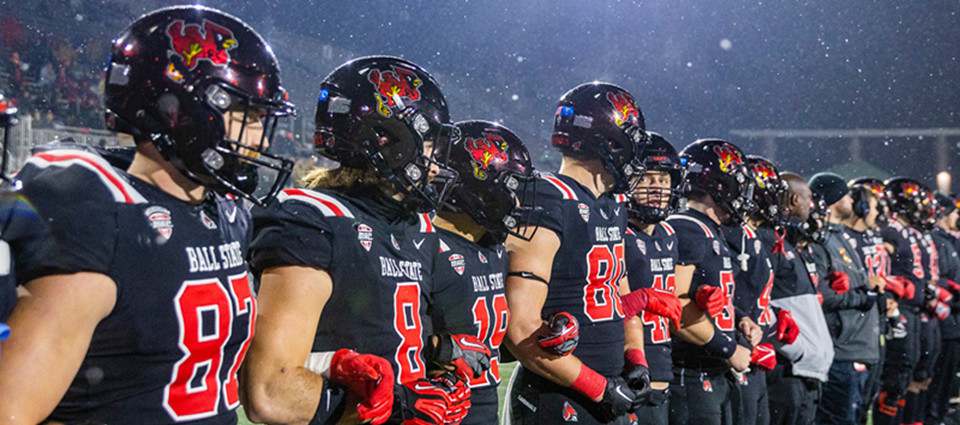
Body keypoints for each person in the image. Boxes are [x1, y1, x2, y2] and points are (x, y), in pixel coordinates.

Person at [0, 6, 296, 424]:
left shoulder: (225, 214)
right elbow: (11, 412)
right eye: (245, 116)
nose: (257, 139)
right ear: (183, 110)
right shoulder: (102, 212)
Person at [243, 56, 486, 425]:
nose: (435, 164)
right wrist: (400, 406)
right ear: (386, 140)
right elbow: (272, 391)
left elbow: (383, 332)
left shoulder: (413, 223)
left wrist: (441, 348)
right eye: (426, 146)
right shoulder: (313, 219)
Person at [504, 82, 648, 425]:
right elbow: (520, 325)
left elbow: (620, 293)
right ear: (610, 141)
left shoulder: (612, 206)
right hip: (558, 393)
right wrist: (599, 387)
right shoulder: (549, 197)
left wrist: (636, 356)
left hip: (607, 390)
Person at [428, 119, 535, 424]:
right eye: (511, 188)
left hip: (480, 408)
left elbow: (488, 343)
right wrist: (439, 348)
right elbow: (388, 338)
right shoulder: (424, 245)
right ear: (479, 187)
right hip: (432, 410)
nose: (517, 202)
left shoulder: (494, 250)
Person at [665, 138, 753, 425]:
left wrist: (738, 318)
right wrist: (727, 348)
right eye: (738, 184)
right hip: (691, 373)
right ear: (719, 185)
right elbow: (673, 307)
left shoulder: (708, 230)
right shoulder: (688, 228)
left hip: (711, 371)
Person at [724, 156, 800, 425]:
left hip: (755, 355)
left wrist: (773, 318)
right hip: (740, 358)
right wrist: (740, 341)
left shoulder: (752, 235)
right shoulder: (733, 235)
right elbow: (726, 298)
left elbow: (752, 298)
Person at [619, 132, 684, 425]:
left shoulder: (668, 234)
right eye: (648, 178)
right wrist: (638, 299)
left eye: (664, 180)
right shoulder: (616, 230)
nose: (657, 188)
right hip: (626, 366)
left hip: (662, 363)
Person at [809, 172, 881, 425]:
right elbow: (822, 296)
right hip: (843, 351)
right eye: (846, 194)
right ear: (833, 199)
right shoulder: (821, 240)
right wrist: (862, 296)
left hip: (860, 348)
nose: (851, 199)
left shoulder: (840, 237)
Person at [767, 172, 835, 425]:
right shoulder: (771, 240)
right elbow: (757, 299)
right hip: (787, 368)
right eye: (807, 198)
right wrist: (796, 350)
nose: (811, 205)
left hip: (804, 367)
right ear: (795, 199)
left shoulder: (790, 242)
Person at [874, 177, 931, 425]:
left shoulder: (905, 231)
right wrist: (892, 286)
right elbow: (879, 266)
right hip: (901, 308)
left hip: (914, 308)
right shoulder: (889, 230)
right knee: (897, 374)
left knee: (910, 371)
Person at [926, 192, 960, 423]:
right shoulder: (936, 241)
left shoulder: (948, 241)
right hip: (944, 323)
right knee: (936, 382)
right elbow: (936, 278)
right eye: (955, 212)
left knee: (946, 383)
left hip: (953, 322)